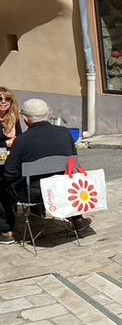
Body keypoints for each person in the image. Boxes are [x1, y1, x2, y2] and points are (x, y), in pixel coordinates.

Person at [0, 99, 81, 245]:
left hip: (34, 192)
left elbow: (9, 173)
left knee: (2, 189)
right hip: (61, 189)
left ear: (25, 119)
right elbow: (73, 161)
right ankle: (77, 219)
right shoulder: (64, 133)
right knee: (61, 179)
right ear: (48, 113)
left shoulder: (22, 140)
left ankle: (6, 232)